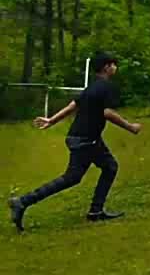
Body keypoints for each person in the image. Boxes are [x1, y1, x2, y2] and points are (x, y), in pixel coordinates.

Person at [8, 50, 142, 232]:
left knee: (106, 167)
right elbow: (108, 113)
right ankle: (23, 201)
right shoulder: (107, 87)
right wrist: (130, 127)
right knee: (79, 175)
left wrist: (51, 120)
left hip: (78, 137)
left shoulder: (92, 87)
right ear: (107, 67)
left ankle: (96, 211)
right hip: (87, 140)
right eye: (113, 64)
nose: (115, 68)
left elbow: (73, 105)